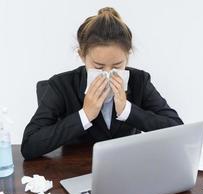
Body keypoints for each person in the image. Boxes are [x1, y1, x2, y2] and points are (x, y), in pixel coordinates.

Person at [21, 7, 183, 160]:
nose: (107, 74)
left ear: (128, 56)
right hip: (75, 173)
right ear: (82, 56)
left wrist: (127, 110)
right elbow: (29, 145)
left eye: (117, 66)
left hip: (127, 169)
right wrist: (85, 115)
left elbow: (177, 130)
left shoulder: (139, 80)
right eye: (98, 67)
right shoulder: (61, 85)